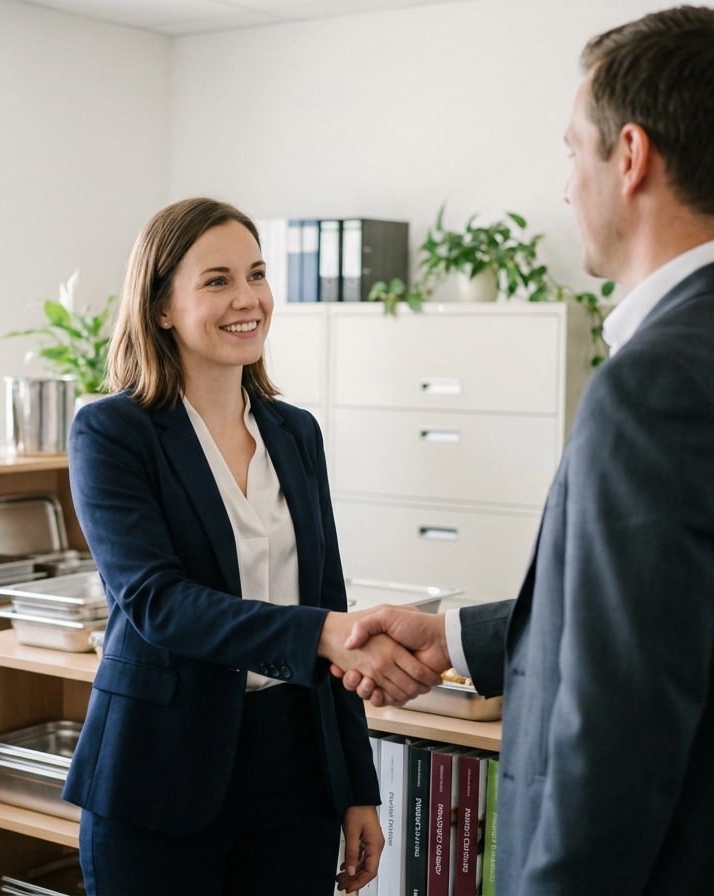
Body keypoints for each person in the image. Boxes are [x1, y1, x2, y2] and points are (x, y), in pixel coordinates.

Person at [334, 7, 714, 895]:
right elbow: (708, 618)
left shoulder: (658, 385)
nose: (565, 187)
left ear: (630, 157)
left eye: (573, 151)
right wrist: (453, 636)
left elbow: (616, 741)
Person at [64, 197, 439, 895]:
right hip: (161, 770)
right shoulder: (113, 433)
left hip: (294, 769)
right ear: (161, 308)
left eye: (257, 274)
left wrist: (357, 784)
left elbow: (328, 599)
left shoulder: (295, 433)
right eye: (217, 281)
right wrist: (325, 633)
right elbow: (158, 603)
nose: (248, 299)